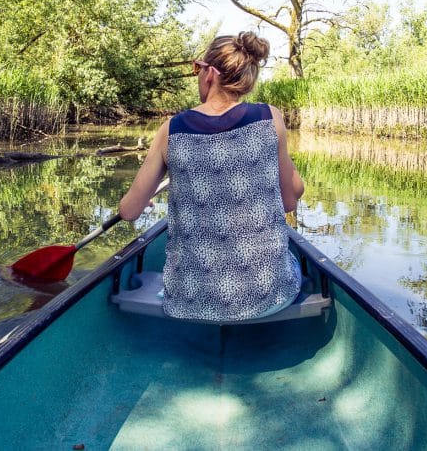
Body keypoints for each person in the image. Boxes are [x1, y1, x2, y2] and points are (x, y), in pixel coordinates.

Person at [119, 32, 305, 322]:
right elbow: (290, 200)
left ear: (209, 73)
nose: (197, 76)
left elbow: (129, 210)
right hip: (269, 297)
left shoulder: (171, 130)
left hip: (187, 301)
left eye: (197, 68)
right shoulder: (271, 118)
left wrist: (144, 200)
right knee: (293, 262)